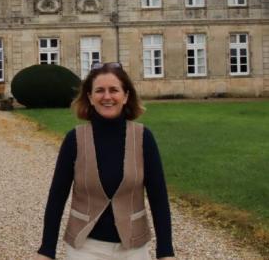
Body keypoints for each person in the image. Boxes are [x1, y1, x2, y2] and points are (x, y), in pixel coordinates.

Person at [35, 62, 175, 260]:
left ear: (125, 96)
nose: (107, 97)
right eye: (99, 91)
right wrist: (47, 249)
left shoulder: (144, 138)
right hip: (85, 248)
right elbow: (57, 196)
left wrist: (165, 251)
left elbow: (158, 196)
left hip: (133, 249)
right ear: (90, 98)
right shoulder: (74, 139)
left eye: (114, 90)